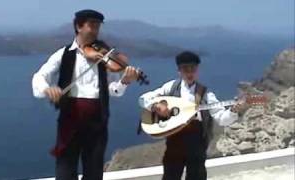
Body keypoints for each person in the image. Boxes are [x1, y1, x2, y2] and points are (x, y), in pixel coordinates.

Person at [32, 9, 138, 180]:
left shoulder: (104, 56)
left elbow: (113, 90)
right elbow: (39, 77)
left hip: (97, 120)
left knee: (94, 171)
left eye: (98, 27)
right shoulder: (64, 54)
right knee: (65, 171)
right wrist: (47, 89)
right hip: (69, 118)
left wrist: (124, 81)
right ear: (78, 27)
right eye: (92, 26)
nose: (95, 31)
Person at [138, 51, 246, 180]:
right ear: (179, 71)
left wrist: (233, 111)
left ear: (197, 70)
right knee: (170, 176)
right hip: (174, 140)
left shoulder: (205, 94)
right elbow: (143, 99)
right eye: (185, 69)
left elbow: (222, 119)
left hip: (196, 142)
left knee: (197, 176)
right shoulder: (171, 87)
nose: (189, 73)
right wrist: (156, 106)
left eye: (193, 69)